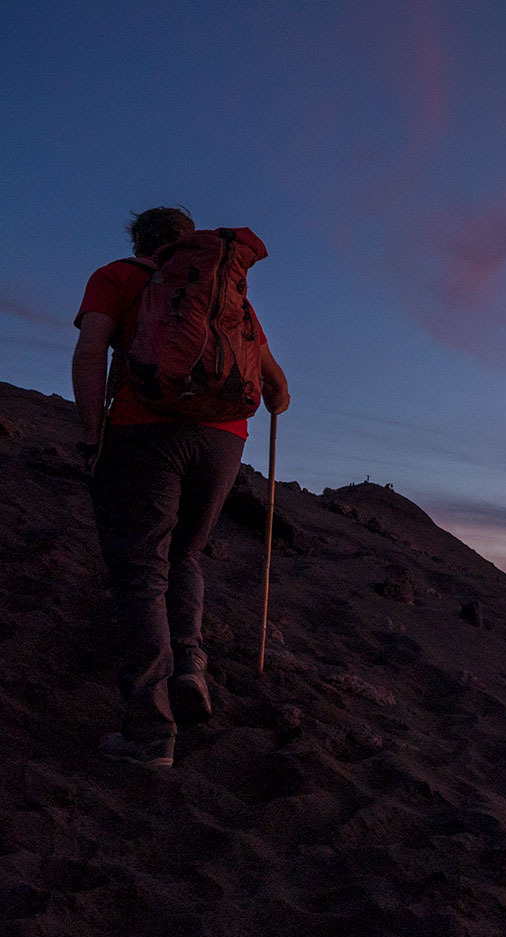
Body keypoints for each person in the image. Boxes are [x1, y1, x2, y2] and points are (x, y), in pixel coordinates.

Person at [71, 206, 291, 767]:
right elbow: (278, 386)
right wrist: (270, 400)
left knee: (141, 573)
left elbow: (92, 349)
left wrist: (93, 432)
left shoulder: (116, 276)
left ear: (139, 239)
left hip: (145, 434)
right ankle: (191, 666)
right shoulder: (226, 292)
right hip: (223, 441)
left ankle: (150, 733)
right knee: (187, 555)